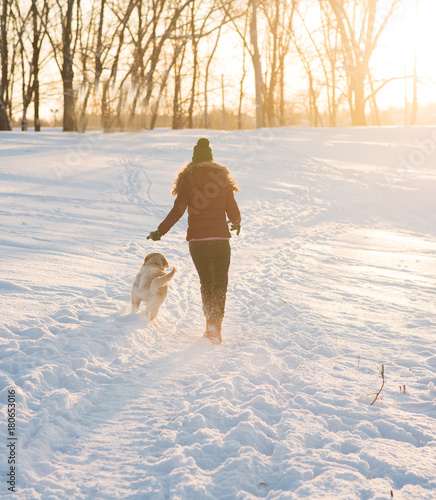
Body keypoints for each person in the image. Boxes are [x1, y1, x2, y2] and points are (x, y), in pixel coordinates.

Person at [147, 138, 241, 344]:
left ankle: (210, 323)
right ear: (211, 158)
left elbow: (178, 210)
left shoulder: (189, 178)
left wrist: (160, 231)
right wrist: (236, 222)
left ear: (194, 160)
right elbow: (231, 206)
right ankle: (216, 326)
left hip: (198, 242)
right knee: (220, 284)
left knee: (206, 282)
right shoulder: (222, 177)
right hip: (220, 240)